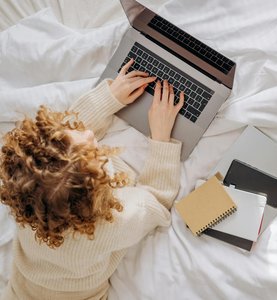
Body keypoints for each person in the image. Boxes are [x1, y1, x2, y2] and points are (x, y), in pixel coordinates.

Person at [0, 58, 184, 300]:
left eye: (73, 132)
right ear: (96, 190)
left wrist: (109, 98)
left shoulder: (27, 196)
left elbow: (61, 148)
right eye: (93, 151)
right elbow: (157, 201)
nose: (87, 132)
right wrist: (161, 139)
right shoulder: (111, 223)